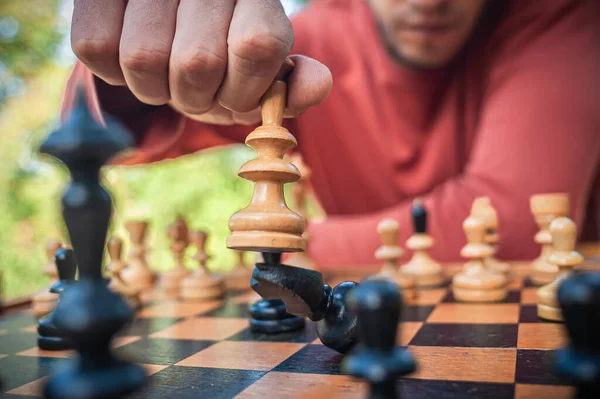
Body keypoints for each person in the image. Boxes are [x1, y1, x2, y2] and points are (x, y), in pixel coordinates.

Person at [61, 0, 599, 268]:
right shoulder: (302, 42)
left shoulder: (565, 17)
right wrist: (135, 50)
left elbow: (515, 224)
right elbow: (99, 132)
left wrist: (289, 245)